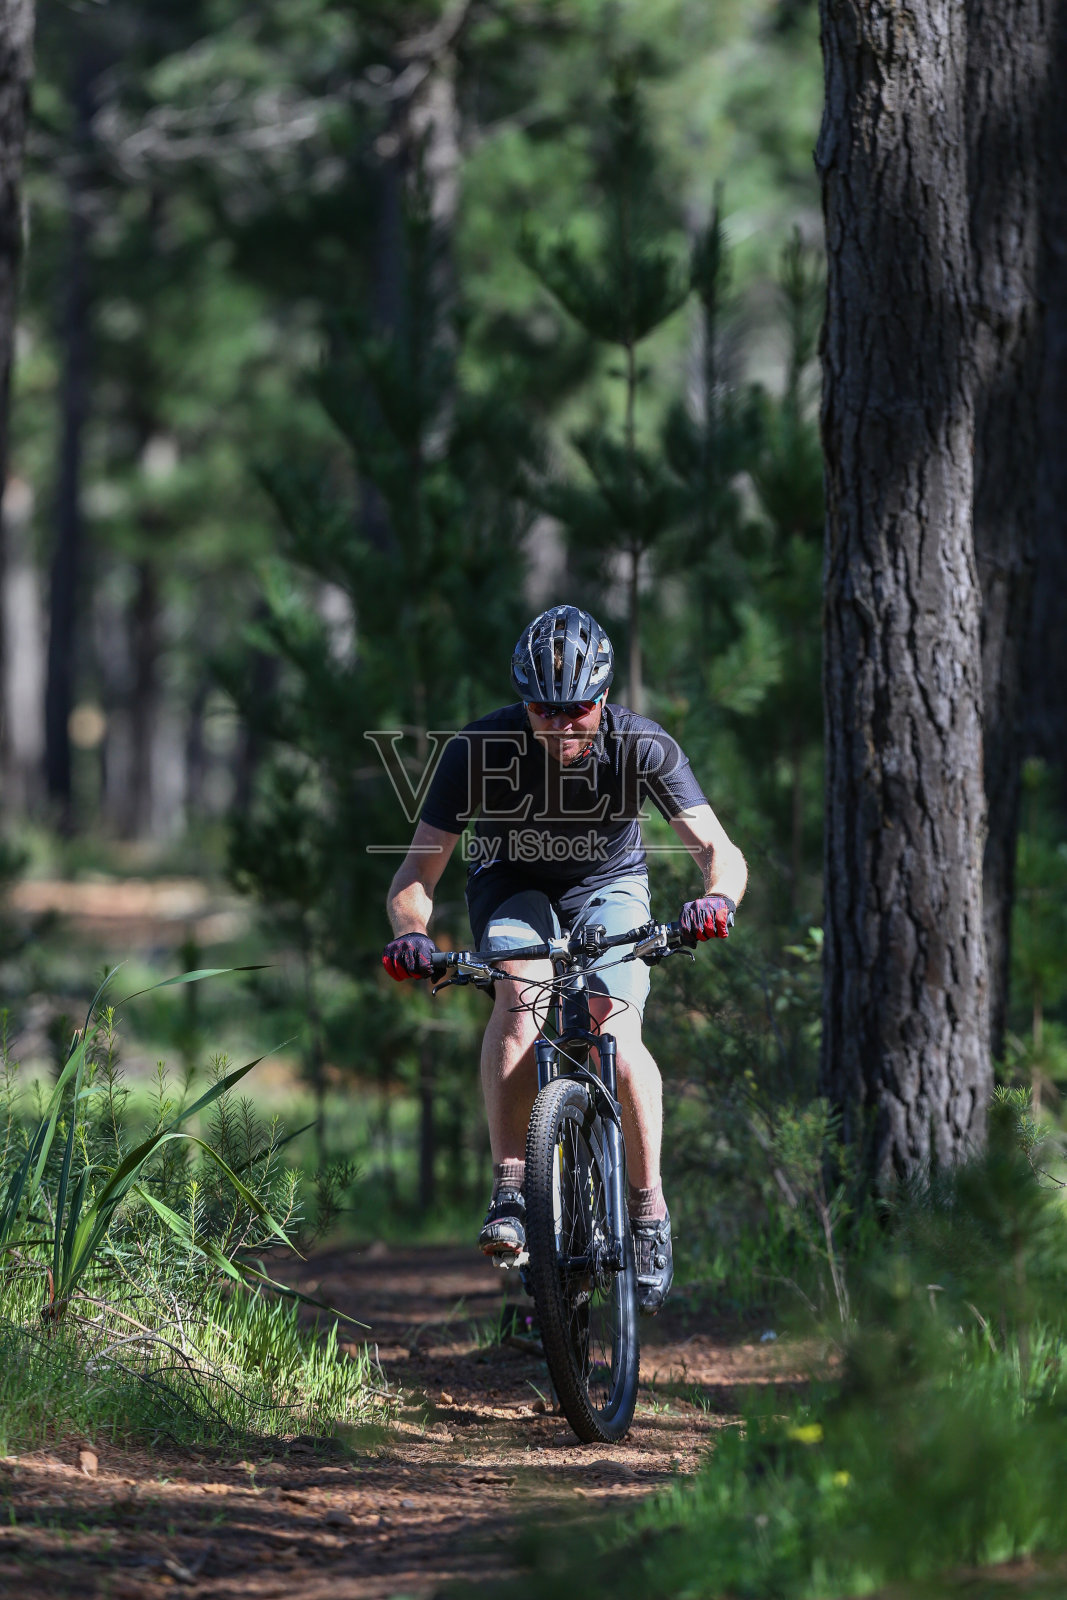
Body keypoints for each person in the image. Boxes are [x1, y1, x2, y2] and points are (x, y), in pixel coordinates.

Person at [381, 604, 746, 1313]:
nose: (560, 726)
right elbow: (415, 875)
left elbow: (716, 849)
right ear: (523, 703)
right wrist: (412, 934)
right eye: (543, 710)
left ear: (602, 699)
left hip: (610, 886)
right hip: (510, 885)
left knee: (615, 1030)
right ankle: (511, 1188)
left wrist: (716, 899)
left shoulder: (642, 745)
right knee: (520, 1002)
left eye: (576, 709)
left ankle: (648, 1209)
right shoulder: (478, 749)